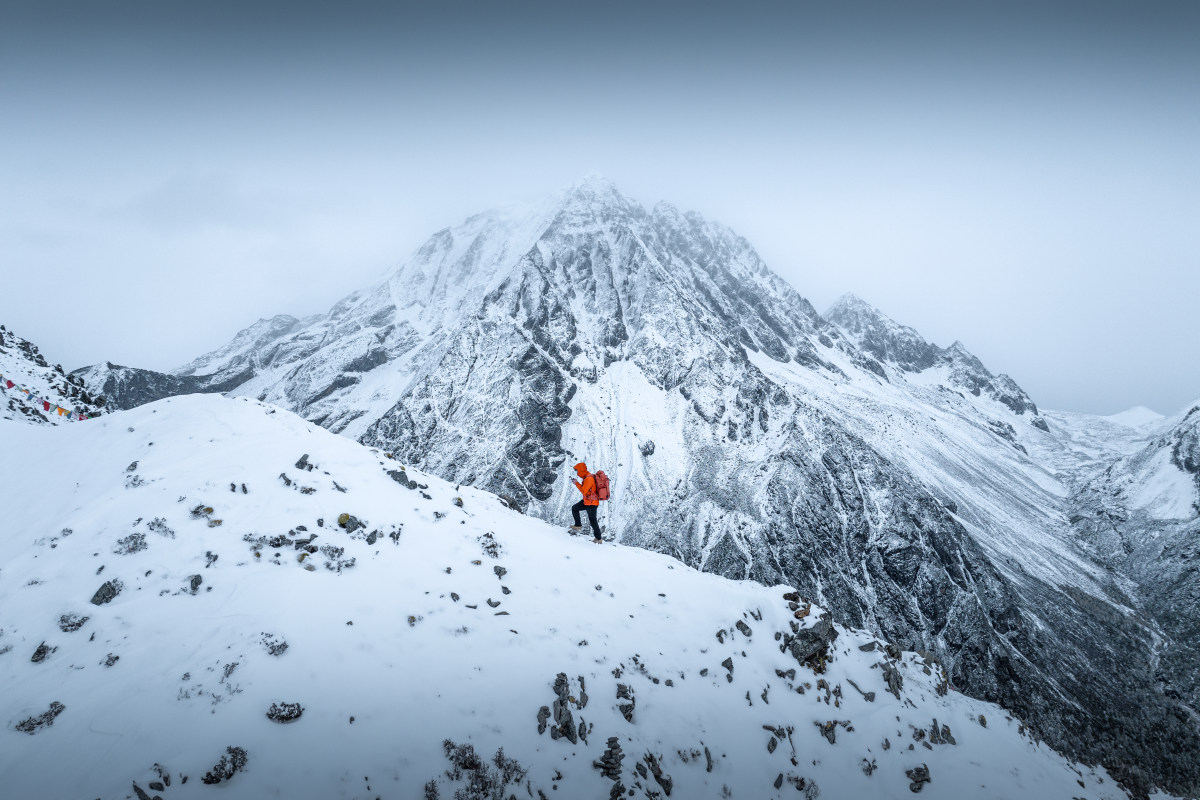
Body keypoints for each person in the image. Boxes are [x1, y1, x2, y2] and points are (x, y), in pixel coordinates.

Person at [568, 462, 602, 543]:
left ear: (581, 471)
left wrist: (576, 483)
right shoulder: (587, 477)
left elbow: (583, 491)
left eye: (577, 471)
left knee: (593, 521)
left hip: (591, 503)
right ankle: (578, 525)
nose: (577, 473)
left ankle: (598, 539)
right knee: (575, 508)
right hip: (588, 501)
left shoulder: (588, 479)